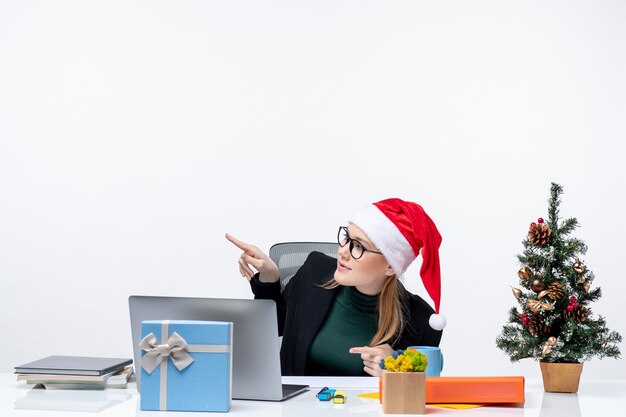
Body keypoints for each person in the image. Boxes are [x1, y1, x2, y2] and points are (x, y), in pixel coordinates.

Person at [226, 198, 445, 376]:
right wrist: (269, 277)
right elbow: (276, 325)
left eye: (358, 246)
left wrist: (397, 367)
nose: (343, 251)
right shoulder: (315, 270)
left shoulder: (421, 322)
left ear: (390, 266)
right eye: (347, 238)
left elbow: (424, 396)